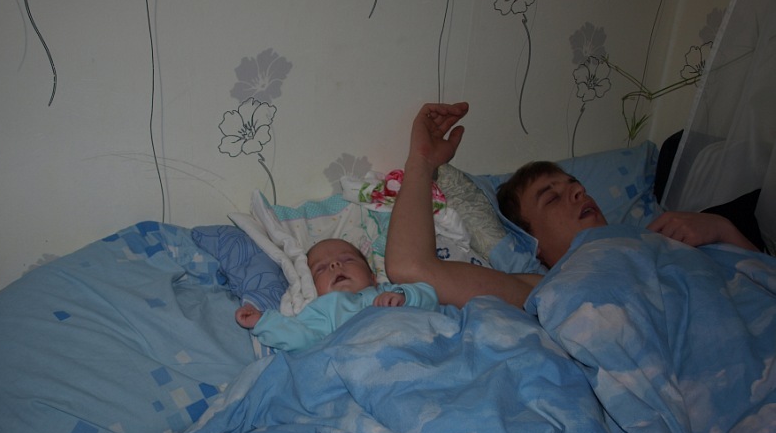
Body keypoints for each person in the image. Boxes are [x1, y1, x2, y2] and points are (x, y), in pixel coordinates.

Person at [385, 102, 760, 309]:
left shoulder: (664, 237)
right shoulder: (547, 289)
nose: (579, 193)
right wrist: (422, 161)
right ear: (533, 243)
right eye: (551, 197)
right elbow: (410, 267)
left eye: (575, 187)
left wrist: (723, 229)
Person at [236, 238, 439, 351]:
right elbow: (300, 338)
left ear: (373, 277)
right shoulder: (324, 309)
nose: (335, 264)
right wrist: (263, 321)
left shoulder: (388, 291)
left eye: (348, 260)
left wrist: (404, 296)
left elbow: (431, 297)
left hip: (418, 345)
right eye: (321, 269)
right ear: (313, 288)